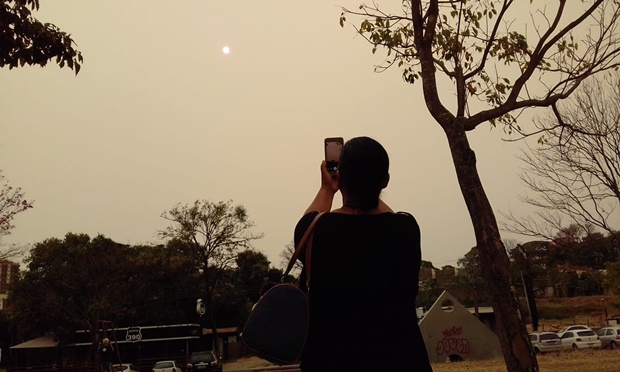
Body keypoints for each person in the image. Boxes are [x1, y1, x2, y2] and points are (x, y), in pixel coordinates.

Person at [294, 136, 433, 371]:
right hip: (404, 362)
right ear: (386, 180)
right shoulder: (406, 230)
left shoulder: (315, 233)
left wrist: (328, 188)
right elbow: (389, 216)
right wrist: (366, 187)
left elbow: (310, 221)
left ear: (343, 177)